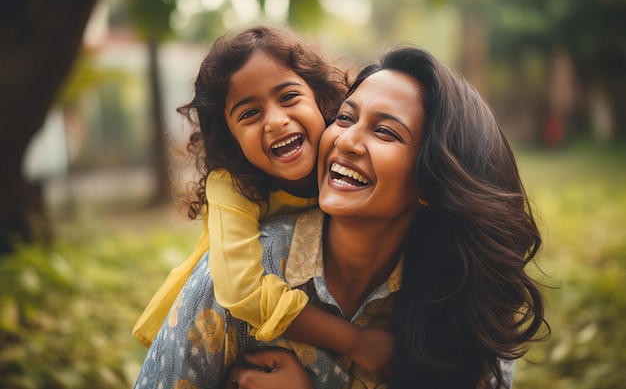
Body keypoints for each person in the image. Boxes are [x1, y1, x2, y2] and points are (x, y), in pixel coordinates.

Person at [133, 46, 548, 389]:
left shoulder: (470, 302)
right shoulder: (240, 275)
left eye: (385, 132)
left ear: (431, 181)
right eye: (346, 118)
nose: (346, 140)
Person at [132, 25, 394, 376]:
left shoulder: (343, 157)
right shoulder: (232, 185)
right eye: (249, 114)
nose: (275, 121)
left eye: (288, 97)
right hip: (215, 334)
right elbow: (241, 290)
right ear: (231, 138)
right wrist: (354, 342)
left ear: (322, 101)